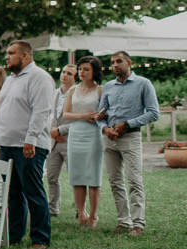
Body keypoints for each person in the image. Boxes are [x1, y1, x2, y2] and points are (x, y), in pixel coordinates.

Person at [0, 40, 55, 249]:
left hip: (29, 145)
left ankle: (40, 238)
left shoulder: (39, 77)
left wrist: (30, 139)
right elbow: (1, 113)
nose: (6, 57)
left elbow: (42, 111)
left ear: (25, 55)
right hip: (7, 144)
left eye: (11, 53)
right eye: (7, 53)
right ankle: (14, 235)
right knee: (12, 193)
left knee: (33, 192)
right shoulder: (10, 80)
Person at [97, 51, 160, 236]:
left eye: (119, 61)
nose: (115, 65)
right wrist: (104, 128)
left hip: (131, 137)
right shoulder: (108, 86)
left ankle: (138, 224)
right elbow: (100, 115)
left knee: (134, 180)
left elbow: (154, 113)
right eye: (112, 62)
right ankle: (123, 221)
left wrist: (127, 124)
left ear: (129, 62)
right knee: (115, 181)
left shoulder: (143, 84)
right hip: (109, 139)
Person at [62, 57, 103, 227]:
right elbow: (65, 114)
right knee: (77, 176)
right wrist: (83, 116)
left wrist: (100, 116)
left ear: (94, 71)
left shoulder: (101, 90)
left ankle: (93, 215)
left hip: (93, 135)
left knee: (93, 176)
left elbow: (104, 112)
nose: (82, 72)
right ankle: (81, 213)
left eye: (86, 69)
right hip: (76, 134)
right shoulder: (73, 90)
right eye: (80, 69)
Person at [44, 64, 76, 217]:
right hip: (53, 141)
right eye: (63, 72)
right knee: (51, 177)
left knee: (75, 177)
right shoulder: (54, 93)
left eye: (69, 73)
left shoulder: (77, 94)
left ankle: (79, 209)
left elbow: (79, 120)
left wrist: (60, 130)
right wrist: (53, 132)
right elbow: (47, 115)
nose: (64, 75)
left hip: (70, 140)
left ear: (75, 78)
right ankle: (52, 208)